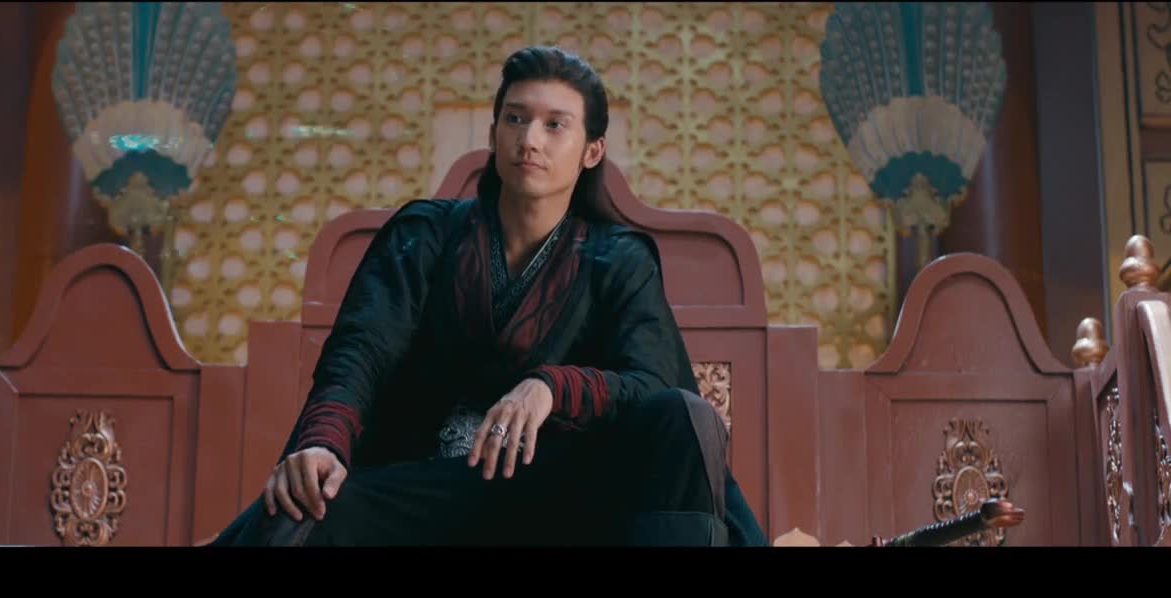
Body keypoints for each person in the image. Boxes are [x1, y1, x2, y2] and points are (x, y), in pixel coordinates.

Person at [210, 45, 767, 547]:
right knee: (301, 507)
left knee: (681, 413)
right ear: (494, 131)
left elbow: (651, 385)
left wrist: (552, 386)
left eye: (555, 125)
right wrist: (323, 444)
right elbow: (360, 355)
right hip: (427, 489)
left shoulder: (617, 261)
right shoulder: (424, 235)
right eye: (516, 118)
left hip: (560, 498)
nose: (530, 139)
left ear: (592, 151)